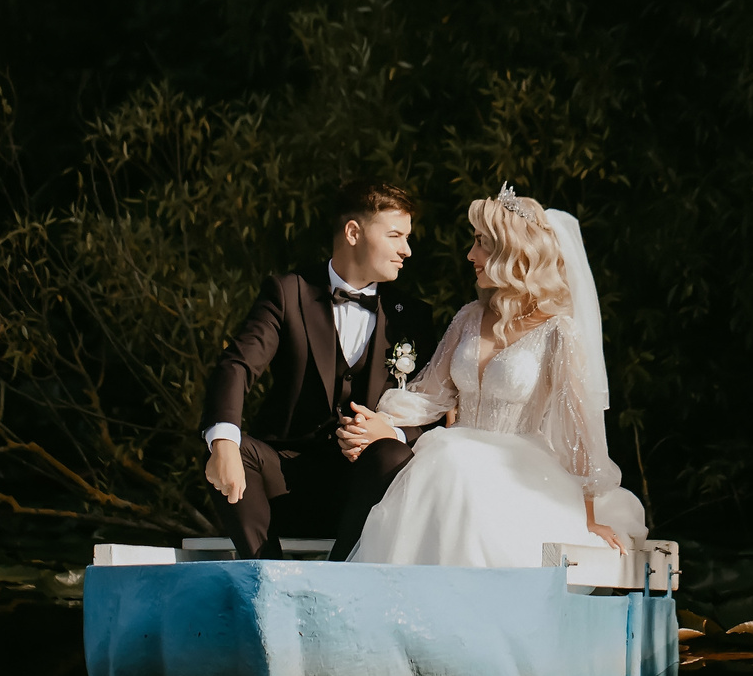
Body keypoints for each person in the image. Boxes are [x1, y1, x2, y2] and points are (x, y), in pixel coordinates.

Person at [342, 185, 646, 567]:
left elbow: (578, 431)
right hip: (454, 463)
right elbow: (429, 395)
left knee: (451, 459)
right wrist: (379, 422)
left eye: (482, 243)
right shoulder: (469, 317)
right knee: (448, 460)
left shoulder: (558, 332)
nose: (470, 255)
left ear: (513, 250)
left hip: (520, 470)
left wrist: (587, 518)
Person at [201, 182, 439, 559]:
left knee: (393, 453)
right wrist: (224, 440)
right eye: (395, 235)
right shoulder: (288, 292)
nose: (406, 250)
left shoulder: (412, 317)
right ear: (353, 233)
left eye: (407, 238)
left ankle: (339, 577)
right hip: (285, 479)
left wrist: (389, 430)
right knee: (229, 443)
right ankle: (269, 576)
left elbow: (435, 412)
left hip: (365, 491)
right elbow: (237, 365)